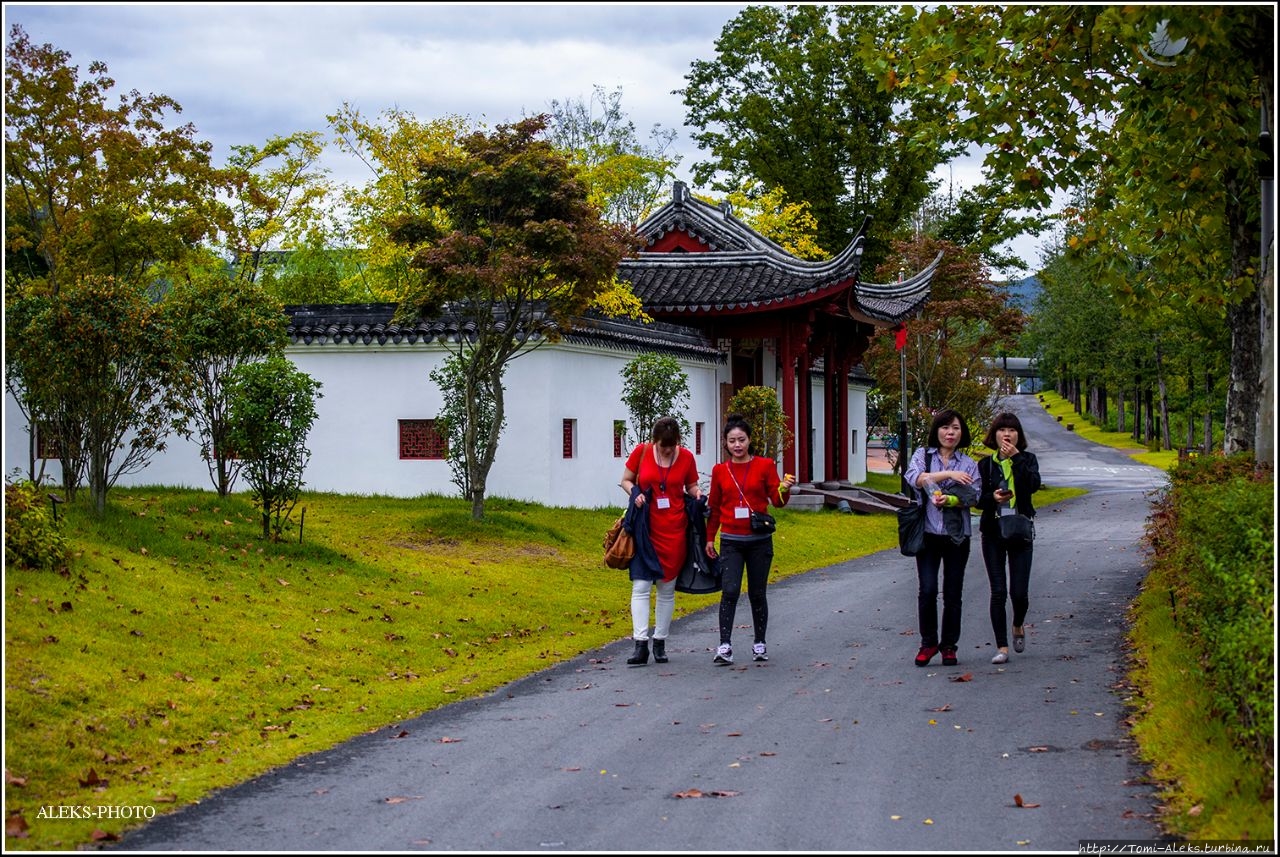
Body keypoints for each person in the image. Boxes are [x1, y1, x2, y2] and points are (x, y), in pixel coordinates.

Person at [704, 414, 797, 665]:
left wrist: (785, 489)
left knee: (757, 592)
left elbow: (776, 500)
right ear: (725, 443)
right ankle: (724, 645)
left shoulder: (765, 465)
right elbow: (713, 506)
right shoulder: (720, 471)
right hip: (731, 540)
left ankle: (760, 643)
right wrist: (710, 538)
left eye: (741, 440)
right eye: (732, 440)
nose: (737, 445)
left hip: (759, 540)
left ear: (749, 440)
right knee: (730, 591)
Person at [618, 416, 701, 666]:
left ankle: (660, 643)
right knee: (641, 586)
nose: (667, 450)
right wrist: (635, 493)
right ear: (655, 441)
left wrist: (699, 495)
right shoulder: (641, 452)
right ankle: (640, 644)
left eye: (671, 446)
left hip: (675, 530)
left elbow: (692, 486)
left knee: (666, 589)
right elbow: (626, 479)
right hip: (645, 529)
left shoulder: (686, 457)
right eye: (663, 446)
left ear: (677, 441)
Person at [904, 408, 981, 668]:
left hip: (957, 536)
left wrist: (950, 499)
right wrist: (949, 475)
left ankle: (949, 645)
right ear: (937, 430)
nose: (950, 433)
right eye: (946, 427)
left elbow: (975, 495)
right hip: (927, 533)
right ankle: (928, 644)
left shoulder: (969, 463)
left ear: (962, 432)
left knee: (953, 592)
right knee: (926, 590)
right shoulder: (923, 456)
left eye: (956, 428)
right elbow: (915, 478)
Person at [976, 412, 1042, 664]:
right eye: (1002, 430)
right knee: (998, 591)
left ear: (1018, 435)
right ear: (993, 435)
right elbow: (976, 499)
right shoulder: (984, 465)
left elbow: (1034, 484)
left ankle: (1017, 624)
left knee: (1019, 593)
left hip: (1021, 530)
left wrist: (1016, 459)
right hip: (993, 531)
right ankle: (1002, 647)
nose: (1007, 434)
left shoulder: (1028, 459)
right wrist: (992, 498)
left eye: (1012, 430)